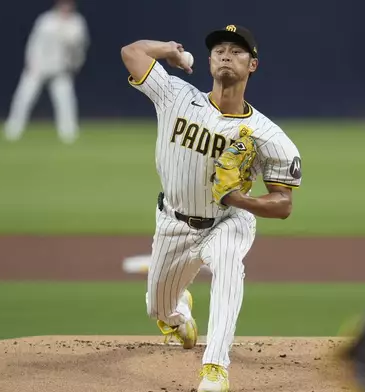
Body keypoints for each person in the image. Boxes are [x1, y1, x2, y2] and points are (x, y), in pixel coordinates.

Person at [121, 25, 303, 392]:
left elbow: (283, 204)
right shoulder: (175, 94)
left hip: (228, 220)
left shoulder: (267, 136)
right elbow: (132, 52)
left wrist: (239, 200)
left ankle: (215, 369)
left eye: (236, 51)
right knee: (158, 308)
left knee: (229, 265)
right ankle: (177, 314)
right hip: (173, 223)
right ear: (208, 61)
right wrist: (169, 52)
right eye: (219, 49)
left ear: (252, 64)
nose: (225, 55)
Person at [3, 0, 89, 144]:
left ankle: (68, 133)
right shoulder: (46, 20)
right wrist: (31, 62)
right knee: (23, 99)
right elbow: (34, 42)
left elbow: (80, 47)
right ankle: (13, 130)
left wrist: (75, 65)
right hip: (38, 67)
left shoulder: (77, 23)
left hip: (60, 69)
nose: (66, 7)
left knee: (66, 102)